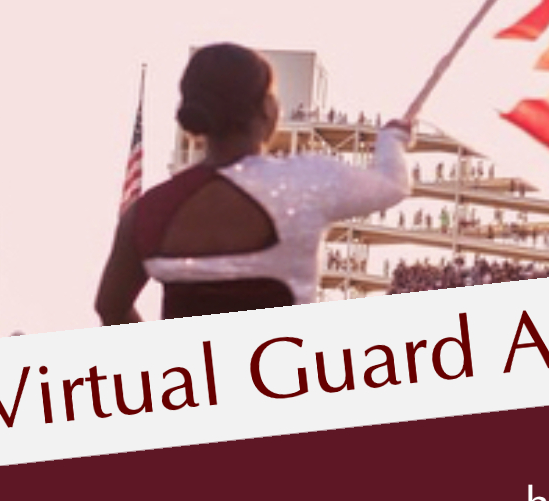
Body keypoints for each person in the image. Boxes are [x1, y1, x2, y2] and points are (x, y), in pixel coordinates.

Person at [96, 43, 410, 324]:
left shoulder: (145, 213)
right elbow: (391, 184)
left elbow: (110, 307)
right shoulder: (303, 182)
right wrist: (392, 139)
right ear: (266, 109)